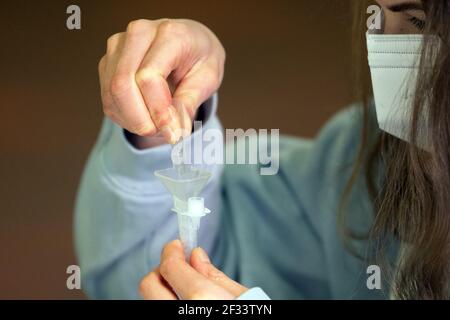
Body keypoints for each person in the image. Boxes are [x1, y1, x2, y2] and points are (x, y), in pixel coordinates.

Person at [75, 0, 450, 299]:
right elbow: (151, 276)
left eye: (418, 21)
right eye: (376, 13)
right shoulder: (362, 164)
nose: (383, 46)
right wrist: (162, 115)